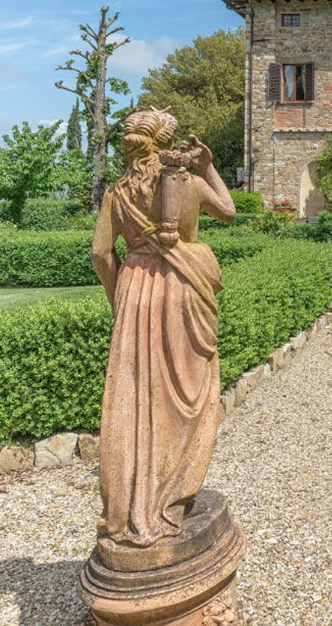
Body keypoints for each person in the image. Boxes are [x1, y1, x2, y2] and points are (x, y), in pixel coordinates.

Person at [90, 107, 235, 547]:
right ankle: (169, 491)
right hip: (183, 287)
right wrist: (207, 164)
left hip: (136, 288)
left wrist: (123, 301)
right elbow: (228, 210)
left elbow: (100, 255)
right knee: (186, 395)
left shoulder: (116, 193)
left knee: (133, 396)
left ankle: (129, 505)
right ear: (164, 141)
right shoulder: (187, 182)